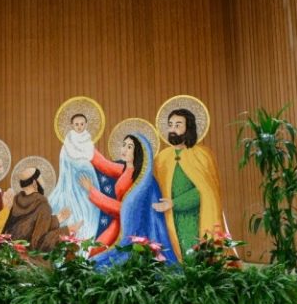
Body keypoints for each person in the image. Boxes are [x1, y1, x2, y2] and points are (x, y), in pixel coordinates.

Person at [82, 134, 177, 267]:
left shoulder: (142, 181)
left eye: (129, 147)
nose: (124, 149)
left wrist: (92, 191)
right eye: (124, 145)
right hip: (120, 223)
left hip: (131, 227)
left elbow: (126, 208)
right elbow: (106, 165)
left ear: (138, 152)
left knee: (102, 259)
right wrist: (88, 148)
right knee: (93, 253)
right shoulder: (128, 169)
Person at [153, 109, 223, 260]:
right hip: (169, 219)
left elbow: (205, 192)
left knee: (193, 258)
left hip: (195, 218)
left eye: (178, 125)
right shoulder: (162, 158)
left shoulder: (202, 156)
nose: (173, 129)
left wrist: (174, 203)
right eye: (170, 125)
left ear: (188, 128)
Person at [48, 113, 100, 241]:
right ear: (72, 125)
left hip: (88, 179)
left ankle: (86, 239)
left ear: (86, 124)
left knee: (88, 209)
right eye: (76, 124)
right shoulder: (68, 143)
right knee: (72, 210)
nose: (79, 127)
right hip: (71, 182)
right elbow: (64, 165)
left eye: (82, 124)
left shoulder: (89, 141)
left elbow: (91, 161)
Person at [4, 167, 82, 252]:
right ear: (35, 183)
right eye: (41, 177)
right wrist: (67, 230)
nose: (43, 181)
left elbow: (27, 227)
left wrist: (57, 219)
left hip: (7, 251)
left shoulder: (15, 201)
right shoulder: (42, 206)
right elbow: (38, 245)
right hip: (24, 256)